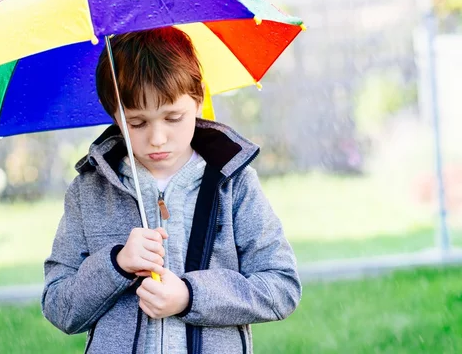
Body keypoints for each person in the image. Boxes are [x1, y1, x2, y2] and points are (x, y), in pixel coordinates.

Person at [41, 26, 301, 354]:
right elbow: (58, 306)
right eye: (137, 123)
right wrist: (116, 264)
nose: (158, 138)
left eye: (173, 117)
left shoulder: (233, 183)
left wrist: (190, 296)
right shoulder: (88, 192)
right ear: (116, 117)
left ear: (198, 100)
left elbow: (281, 287)